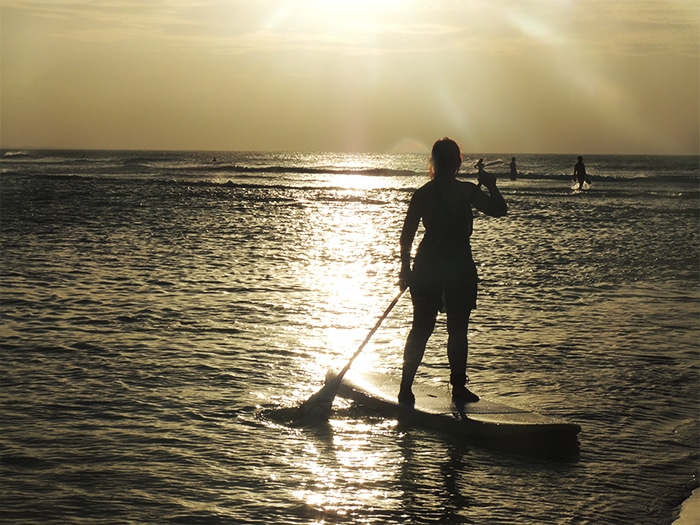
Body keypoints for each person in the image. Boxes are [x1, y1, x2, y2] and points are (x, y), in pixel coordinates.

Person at [398, 138, 508, 405]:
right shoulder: (466, 191)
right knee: (457, 330)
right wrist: (492, 186)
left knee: (421, 329)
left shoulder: (425, 193)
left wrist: (405, 267)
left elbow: (407, 235)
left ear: (433, 162)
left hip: (429, 267)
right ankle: (457, 386)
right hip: (457, 266)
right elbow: (500, 209)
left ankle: (406, 387)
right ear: (458, 162)